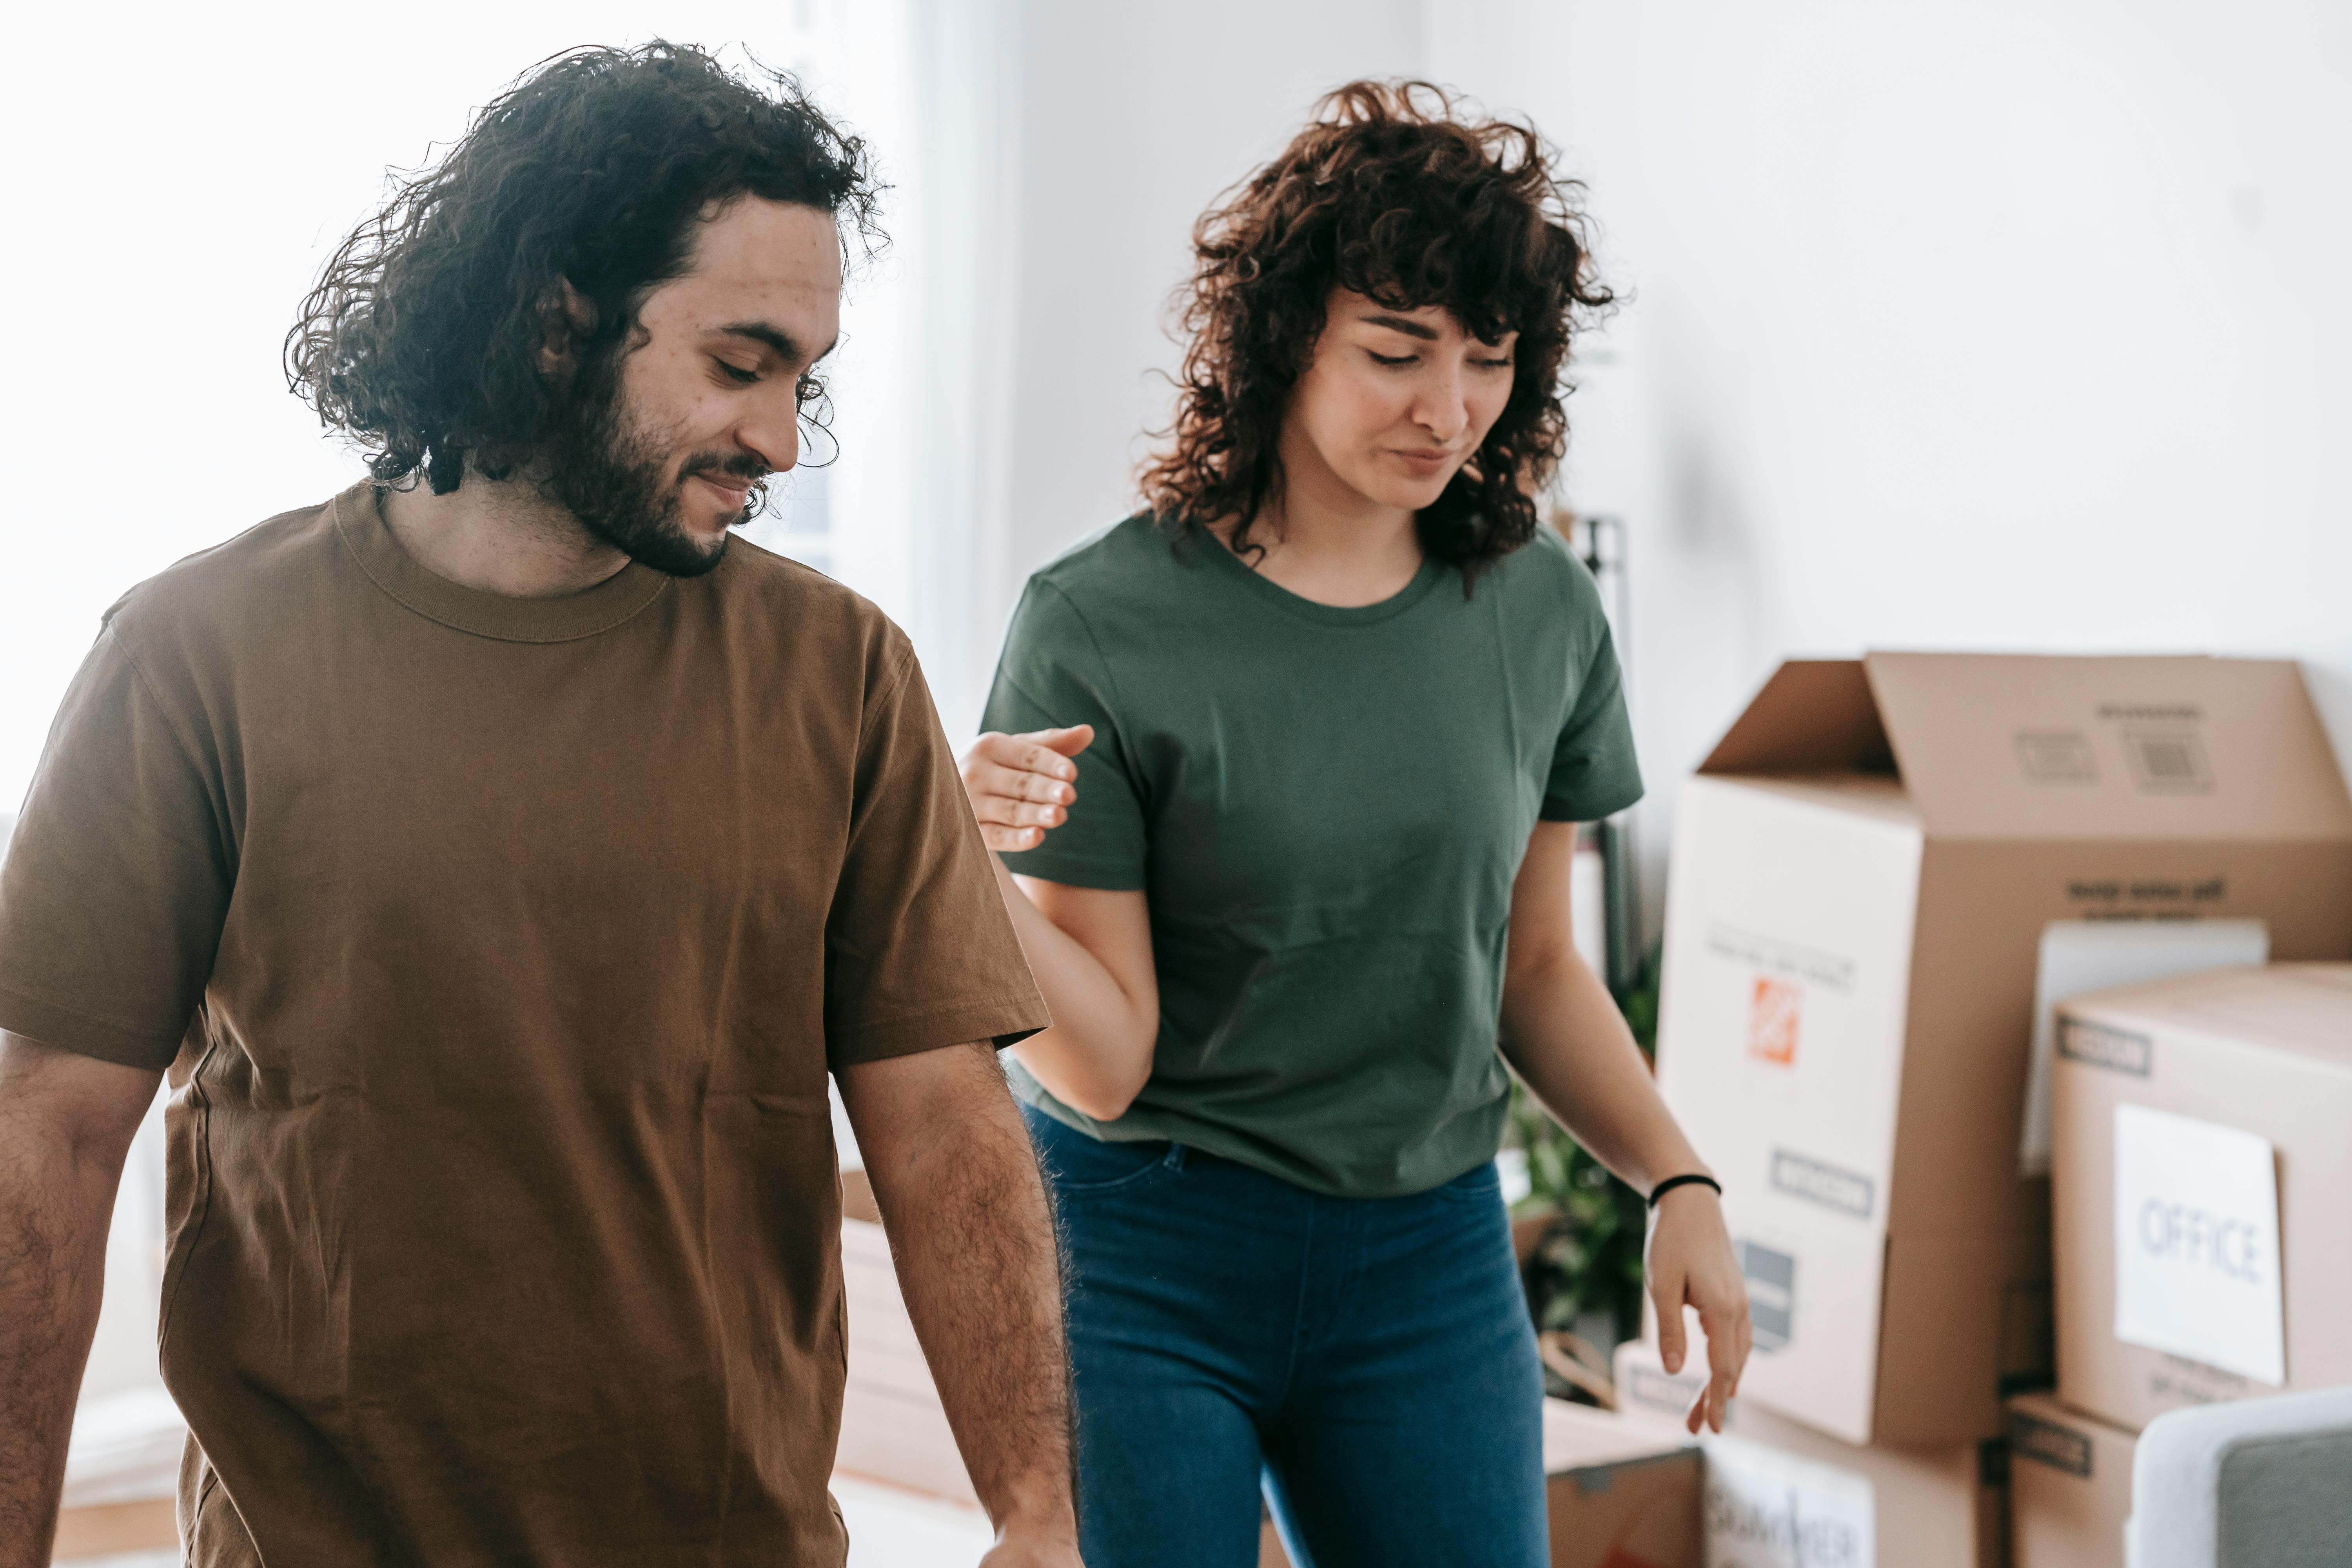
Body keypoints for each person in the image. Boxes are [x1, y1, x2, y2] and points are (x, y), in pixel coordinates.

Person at [0, 45, 1080, 1568]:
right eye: (738, 361)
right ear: (557, 317)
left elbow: (947, 1127)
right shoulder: (196, 652)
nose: (780, 438)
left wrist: (1037, 1514)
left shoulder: (838, 674)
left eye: (803, 380)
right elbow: (48, 1136)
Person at [960, 82, 1751, 1566]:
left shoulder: (1538, 610)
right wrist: (949, 864)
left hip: (1427, 1255)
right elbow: (1105, 1062)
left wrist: (1677, 1177)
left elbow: (1531, 974)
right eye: (1396, 352)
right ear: (1283, 339)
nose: (1447, 408)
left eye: (1488, 360)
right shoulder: (1098, 626)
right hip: (1139, 1251)